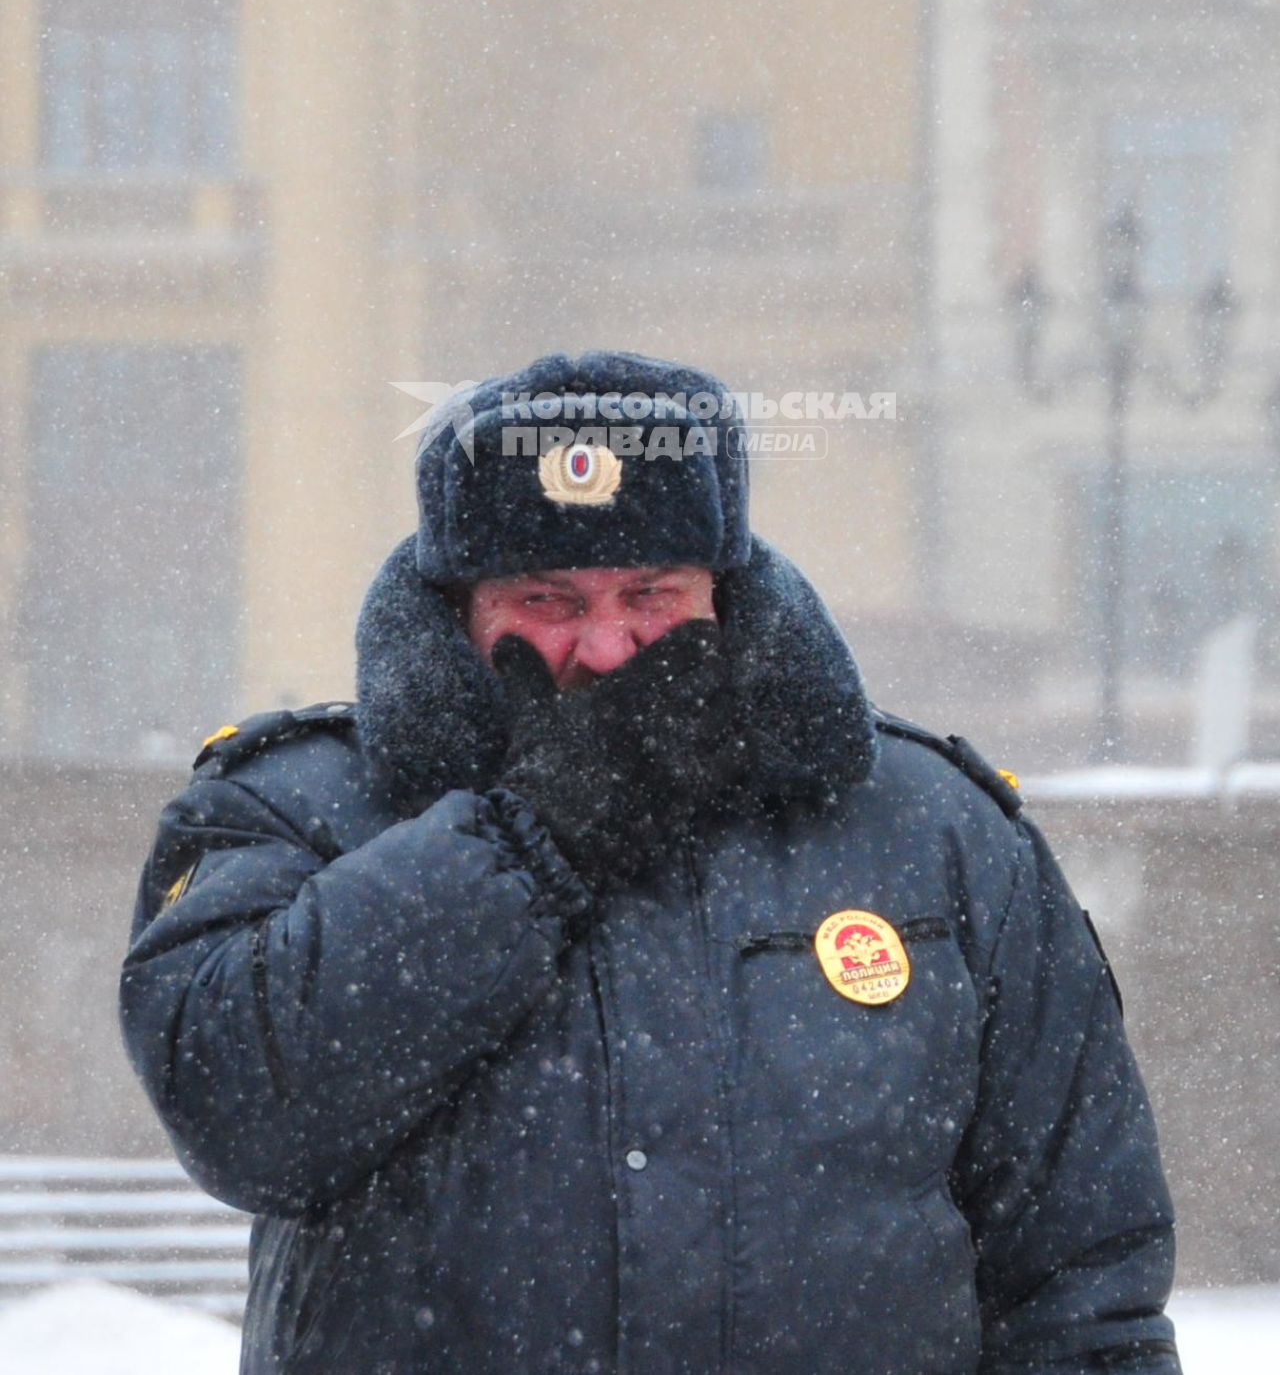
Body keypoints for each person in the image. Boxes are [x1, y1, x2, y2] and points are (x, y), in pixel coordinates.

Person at [120, 350, 1181, 1375]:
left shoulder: (930, 829)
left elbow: (1081, 1276)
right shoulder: (294, 806)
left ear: (722, 591)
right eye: (548, 601)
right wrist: (526, 840)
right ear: (458, 606)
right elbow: (243, 1115)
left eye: (650, 594)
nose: (608, 647)